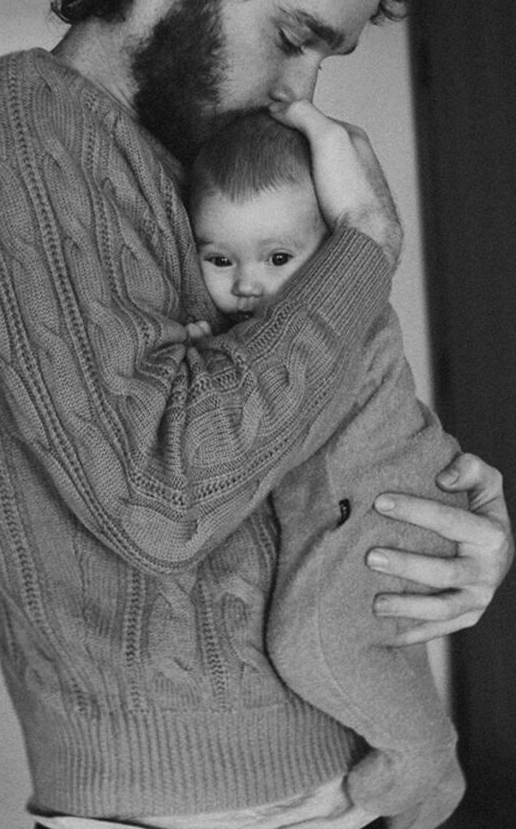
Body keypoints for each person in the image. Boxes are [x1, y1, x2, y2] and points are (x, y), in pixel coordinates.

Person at [0, 0, 512, 828]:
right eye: (293, 37)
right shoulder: (19, 129)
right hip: (187, 809)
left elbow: (317, 434)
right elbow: (164, 497)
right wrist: (366, 240)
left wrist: (441, 519)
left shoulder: (208, 173)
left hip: (346, 773)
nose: (298, 91)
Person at [184, 108, 466, 827]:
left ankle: (424, 759)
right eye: (220, 259)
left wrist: (207, 362)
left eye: (279, 258)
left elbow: (275, 421)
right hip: (360, 508)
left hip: (388, 503)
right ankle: (429, 780)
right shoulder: (266, 327)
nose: (248, 284)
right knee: (380, 653)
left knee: (310, 644)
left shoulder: (343, 324)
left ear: (331, 254)